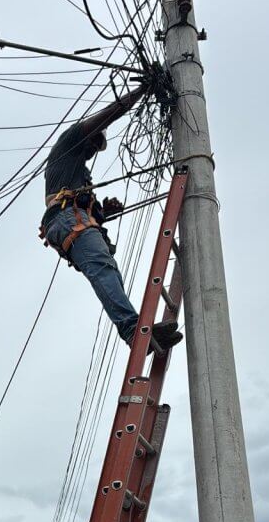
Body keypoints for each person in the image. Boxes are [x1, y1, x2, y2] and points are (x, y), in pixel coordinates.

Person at [40, 85, 182, 353]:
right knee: (103, 268)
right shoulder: (68, 143)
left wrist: (103, 212)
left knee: (109, 270)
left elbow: (84, 209)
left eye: (97, 147)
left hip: (73, 220)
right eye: (94, 141)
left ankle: (136, 329)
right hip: (65, 220)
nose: (93, 149)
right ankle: (132, 330)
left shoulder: (80, 175)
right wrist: (142, 90)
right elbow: (110, 113)